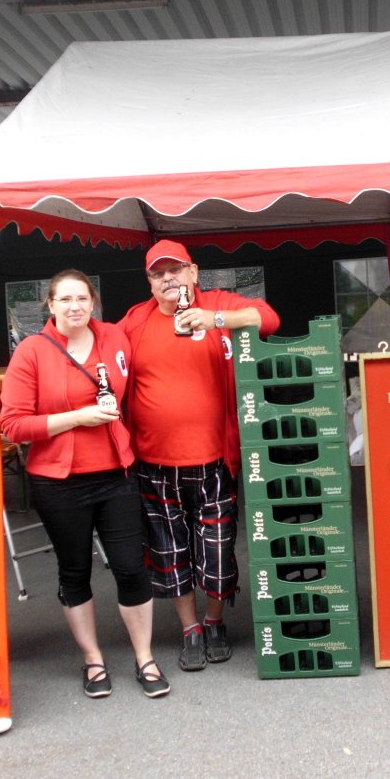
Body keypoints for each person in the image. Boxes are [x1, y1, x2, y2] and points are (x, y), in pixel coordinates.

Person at [0, 270, 168, 700]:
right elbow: (13, 425)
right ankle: (93, 660)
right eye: (65, 299)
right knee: (74, 571)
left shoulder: (115, 338)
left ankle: (145, 658)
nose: (74, 306)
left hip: (116, 473)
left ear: (93, 302)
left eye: (82, 298)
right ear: (50, 305)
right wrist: (76, 418)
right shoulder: (32, 351)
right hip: (59, 482)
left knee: (131, 567)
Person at [118, 239, 280, 671]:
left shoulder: (217, 305)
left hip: (214, 461)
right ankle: (189, 628)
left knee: (219, 551)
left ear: (193, 272)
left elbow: (268, 318)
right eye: (158, 273)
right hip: (154, 463)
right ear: (149, 282)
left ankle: (214, 621)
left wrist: (215, 319)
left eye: (175, 270)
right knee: (170, 553)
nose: (168, 279)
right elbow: (101, 356)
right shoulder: (134, 322)